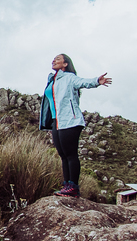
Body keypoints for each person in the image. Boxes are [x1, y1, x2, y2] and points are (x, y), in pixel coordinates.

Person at [39, 53, 112, 198]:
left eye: (58, 59)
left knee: (71, 154)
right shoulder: (52, 80)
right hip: (57, 122)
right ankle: (67, 184)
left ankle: (73, 186)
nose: (54, 60)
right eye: (53, 59)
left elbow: (84, 82)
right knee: (63, 155)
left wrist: (97, 81)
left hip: (71, 120)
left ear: (65, 64)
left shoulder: (69, 78)